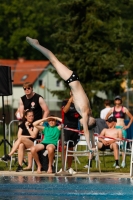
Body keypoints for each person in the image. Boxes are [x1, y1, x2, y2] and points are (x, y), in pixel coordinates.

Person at [26, 37, 96, 150]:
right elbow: (88, 131)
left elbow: (91, 131)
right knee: (53, 60)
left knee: (54, 61)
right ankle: (36, 44)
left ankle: (37, 45)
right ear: (89, 120)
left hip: (73, 80)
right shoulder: (86, 112)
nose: (82, 123)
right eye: (84, 124)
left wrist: (92, 147)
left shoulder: (89, 113)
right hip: (72, 79)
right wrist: (90, 147)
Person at [15, 82, 50, 169]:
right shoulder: (22, 99)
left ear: (32, 88)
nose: (27, 90)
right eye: (25, 89)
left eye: (28, 88)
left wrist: (42, 121)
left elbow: (46, 110)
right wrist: (19, 115)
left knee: (22, 139)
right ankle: (21, 165)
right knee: (21, 144)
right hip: (27, 123)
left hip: (36, 124)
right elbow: (21, 113)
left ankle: (10, 154)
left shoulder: (38, 98)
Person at [105, 95, 133, 167]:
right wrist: (109, 125)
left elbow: (131, 117)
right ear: (114, 101)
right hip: (115, 129)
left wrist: (128, 125)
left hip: (122, 128)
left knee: (123, 145)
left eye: (119, 100)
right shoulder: (112, 109)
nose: (117, 101)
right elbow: (106, 117)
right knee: (116, 145)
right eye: (116, 100)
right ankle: (116, 160)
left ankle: (123, 161)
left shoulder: (124, 109)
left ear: (121, 101)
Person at [60, 91, 80, 174]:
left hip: (75, 128)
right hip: (66, 127)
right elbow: (65, 110)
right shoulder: (65, 101)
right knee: (64, 147)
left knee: (71, 148)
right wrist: (70, 100)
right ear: (70, 93)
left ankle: (69, 167)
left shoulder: (79, 103)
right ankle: (63, 167)